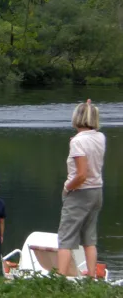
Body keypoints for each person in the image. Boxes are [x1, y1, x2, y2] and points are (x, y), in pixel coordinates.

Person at [58, 99, 105, 277]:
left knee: (65, 238)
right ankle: (91, 277)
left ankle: (60, 279)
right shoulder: (100, 137)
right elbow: (89, 143)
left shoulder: (77, 142)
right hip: (97, 191)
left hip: (80, 193)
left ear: (76, 118)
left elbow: (82, 174)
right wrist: (89, 107)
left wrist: (67, 188)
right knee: (89, 238)